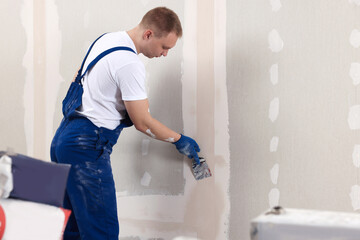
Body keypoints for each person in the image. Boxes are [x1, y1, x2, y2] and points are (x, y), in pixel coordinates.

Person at [50, 6, 201, 240]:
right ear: (148, 34)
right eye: (164, 47)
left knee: (74, 230)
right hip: (86, 147)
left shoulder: (105, 40)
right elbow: (142, 122)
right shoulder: (129, 64)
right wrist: (179, 139)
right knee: (102, 233)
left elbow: (76, 78)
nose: (165, 54)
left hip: (63, 140)